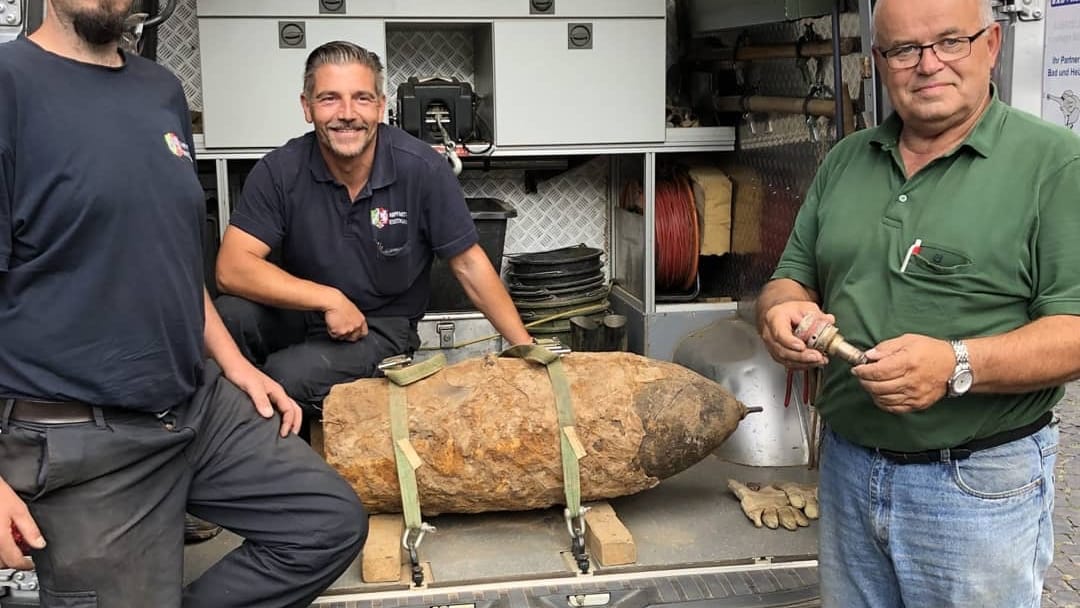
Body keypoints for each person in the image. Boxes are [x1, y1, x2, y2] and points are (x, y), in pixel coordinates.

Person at [0, 1, 367, 606]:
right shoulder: (9, 87)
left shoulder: (159, 89)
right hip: (82, 442)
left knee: (325, 525)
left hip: (193, 409)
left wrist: (238, 366)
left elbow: (171, 259)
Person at [756, 0, 1080, 605]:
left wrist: (956, 364)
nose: (928, 65)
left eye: (950, 41)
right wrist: (780, 312)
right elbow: (788, 278)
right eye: (904, 50)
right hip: (848, 470)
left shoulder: (1055, 164)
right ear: (880, 62)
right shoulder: (847, 160)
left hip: (974, 485)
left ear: (992, 45)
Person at [214, 41, 532, 426]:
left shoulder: (423, 169)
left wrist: (524, 348)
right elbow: (231, 268)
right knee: (229, 318)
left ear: (381, 107)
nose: (347, 114)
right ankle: (238, 445)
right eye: (329, 99)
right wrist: (328, 299)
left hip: (382, 328)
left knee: (286, 375)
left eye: (361, 99)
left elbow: (468, 264)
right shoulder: (279, 170)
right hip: (302, 311)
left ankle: (278, 445)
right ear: (306, 106)